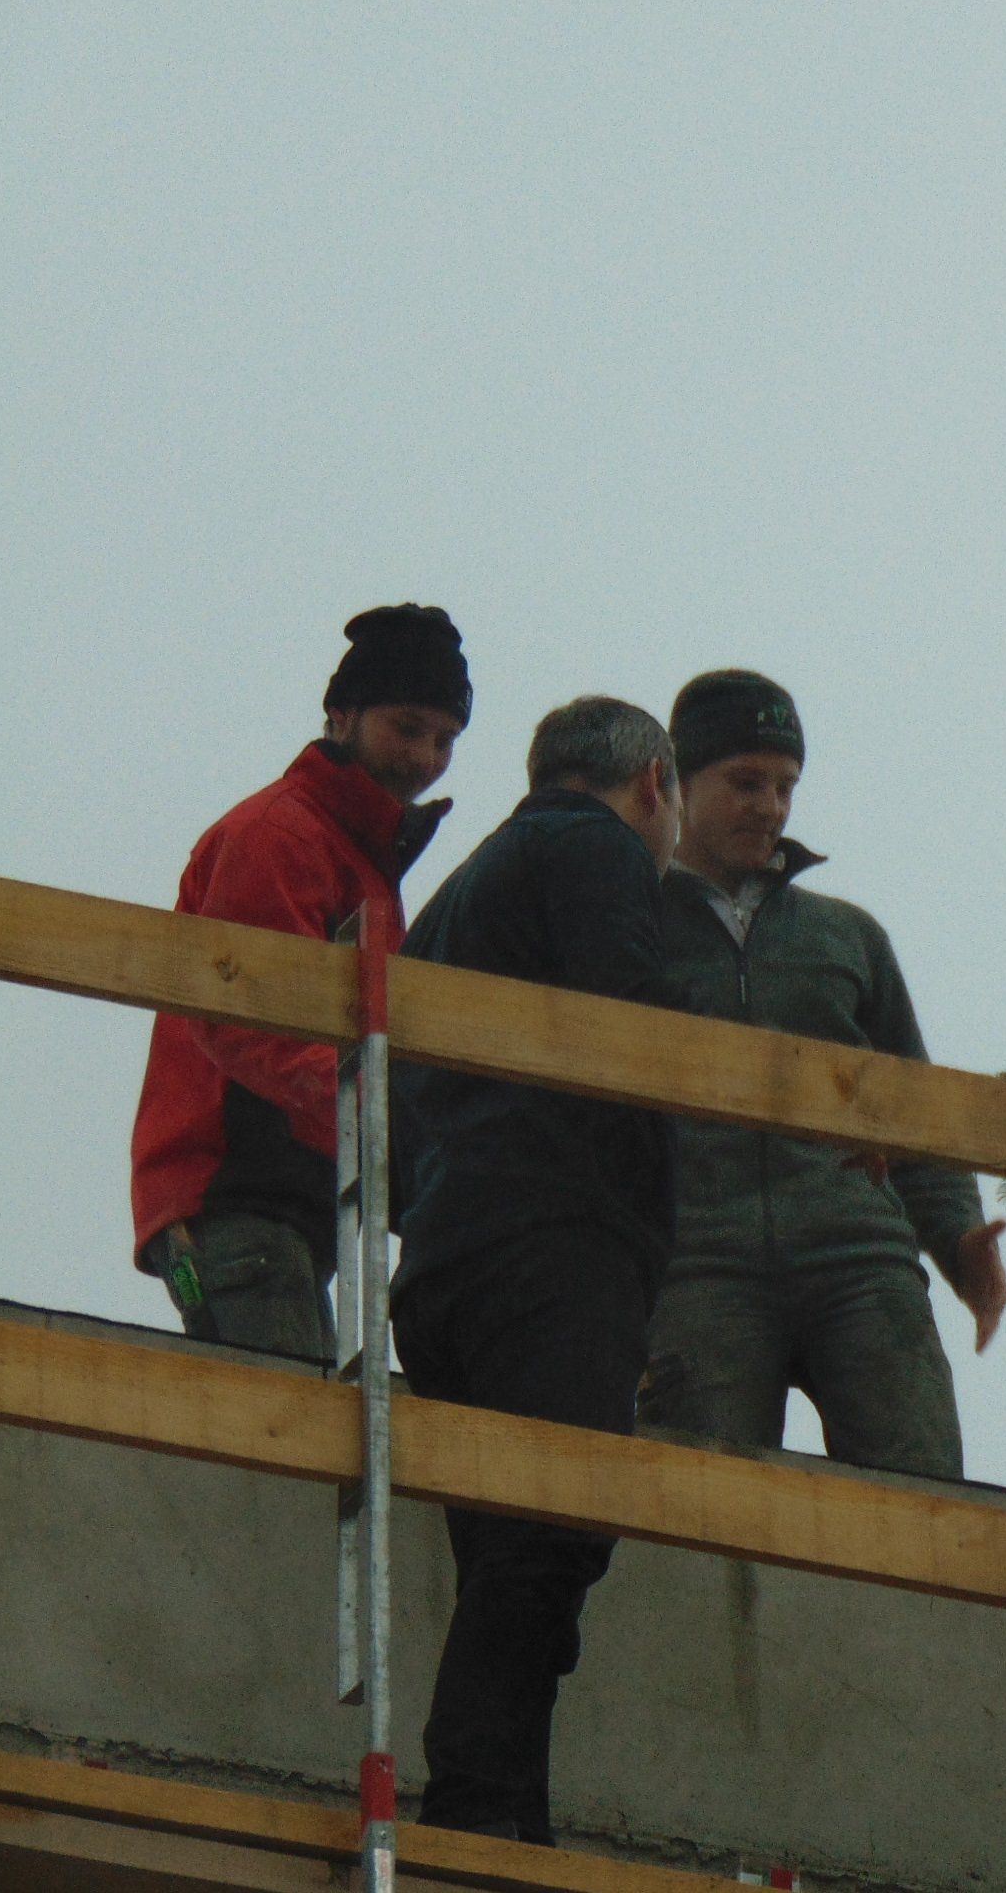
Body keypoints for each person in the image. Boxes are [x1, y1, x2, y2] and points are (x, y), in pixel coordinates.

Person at [389, 694, 682, 1846]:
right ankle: (481, 1816)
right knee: (550, 1535)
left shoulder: (455, 899)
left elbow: (395, 1093)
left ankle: (502, 1814)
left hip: (446, 1258)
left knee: (508, 1552)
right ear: (653, 785)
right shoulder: (596, 849)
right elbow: (631, 1024)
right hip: (554, 1244)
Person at [636, 669, 1006, 1477]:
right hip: (699, 1259)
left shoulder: (847, 936)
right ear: (678, 783)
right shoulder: (629, 923)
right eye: (745, 782)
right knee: (699, 1502)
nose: (770, 807)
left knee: (922, 1490)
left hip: (859, 1254)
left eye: (785, 786)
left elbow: (912, 1099)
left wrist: (958, 1240)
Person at [128, 604, 471, 1360]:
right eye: (408, 728)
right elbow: (251, 1024)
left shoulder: (354, 853)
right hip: (234, 1196)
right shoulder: (282, 835)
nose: (425, 757)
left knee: (302, 1414)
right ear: (342, 715)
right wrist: (399, 1126)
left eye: (445, 739)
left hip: (271, 1206)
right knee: (285, 1423)